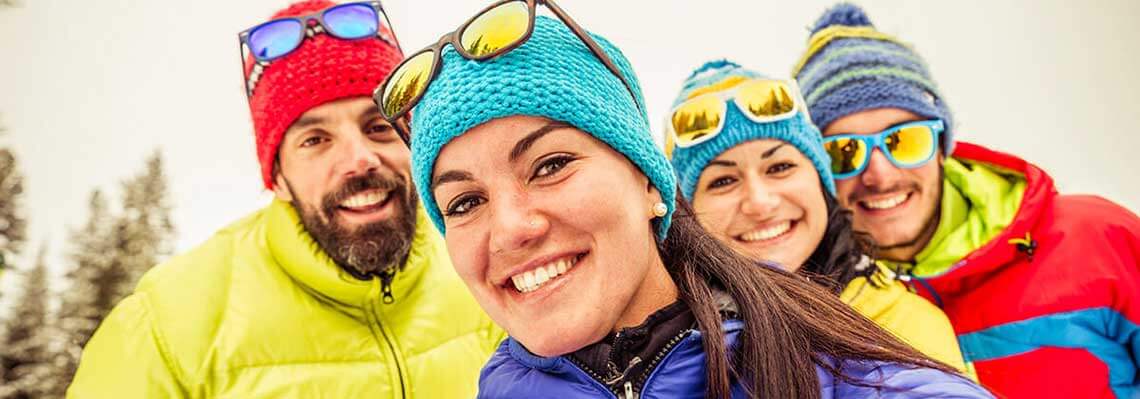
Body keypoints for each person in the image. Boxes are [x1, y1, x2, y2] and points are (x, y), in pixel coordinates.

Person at [373, 2, 991, 397]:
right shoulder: (502, 388)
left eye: (551, 165)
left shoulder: (833, 374)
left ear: (649, 183)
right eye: (463, 203)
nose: (510, 228)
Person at [67, 1, 502, 397]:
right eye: (316, 139)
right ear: (276, 176)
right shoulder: (164, 328)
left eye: (378, 127)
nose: (359, 159)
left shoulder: (491, 268)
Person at [793, 3, 1140, 398]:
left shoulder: (1097, 240)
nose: (880, 175)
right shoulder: (823, 309)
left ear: (942, 147)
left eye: (905, 140)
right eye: (844, 152)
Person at [665, 59, 971, 376]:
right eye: (723, 181)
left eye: (779, 168)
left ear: (821, 183)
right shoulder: (668, 343)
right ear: (688, 213)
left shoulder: (906, 325)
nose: (760, 203)